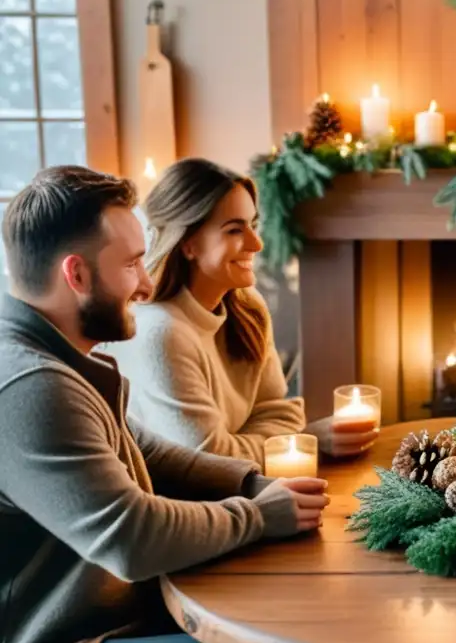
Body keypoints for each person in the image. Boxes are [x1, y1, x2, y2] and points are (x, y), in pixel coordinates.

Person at [0, 166, 330, 643]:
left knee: (291, 622)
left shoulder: (63, 357)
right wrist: (258, 515)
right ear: (76, 275)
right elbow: (131, 537)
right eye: (131, 265)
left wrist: (252, 481)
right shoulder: (29, 386)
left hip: (126, 614)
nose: (148, 283)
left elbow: (148, 452)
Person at [105, 158, 376, 466]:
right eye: (234, 230)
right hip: (184, 504)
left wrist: (255, 443)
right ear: (188, 244)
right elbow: (209, 461)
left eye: (253, 225)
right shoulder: (161, 332)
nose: (256, 243)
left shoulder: (247, 306)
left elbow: (280, 412)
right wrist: (304, 441)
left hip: (247, 487)